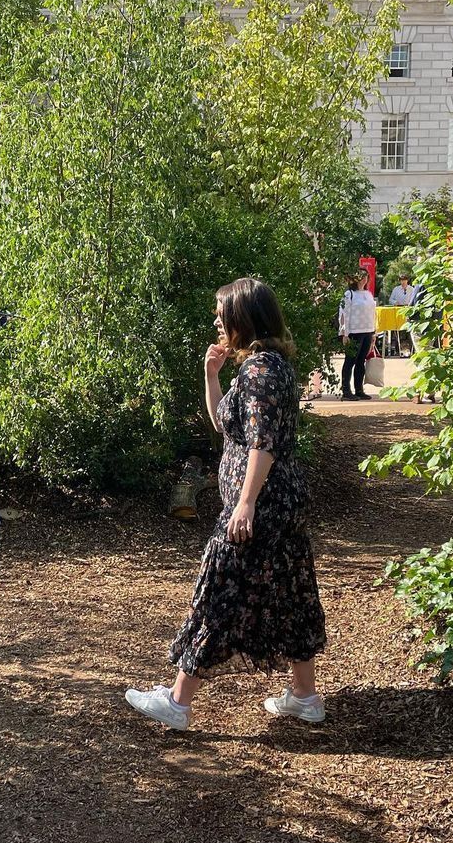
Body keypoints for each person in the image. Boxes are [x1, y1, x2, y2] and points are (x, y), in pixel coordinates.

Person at [125, 278, 327, 731]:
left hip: (262, 508)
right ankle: (305, 697)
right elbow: (224, 425)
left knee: (218, 593)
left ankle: (177, 703)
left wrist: (246, 503)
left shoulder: (260, 373)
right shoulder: (264, 366)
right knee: (289, 594)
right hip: (280, 507)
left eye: (222, 314)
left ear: (242, 319)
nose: (217, 321)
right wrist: (210, 376)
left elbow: (264, 444)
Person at [339, 268, 376, 401]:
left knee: (361, 362)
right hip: (354, 331)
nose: (364, 279)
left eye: (366, 276)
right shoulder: (349, 294)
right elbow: (344, 314)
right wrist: (345, 333)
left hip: (367, 330)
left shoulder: (368, 294)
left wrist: (374, 333)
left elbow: (373, 313)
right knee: (350, 361)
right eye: (361, 276)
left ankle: (359, 389)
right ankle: (346, 390)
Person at [388, 274, 416, 356]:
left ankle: (412, 350)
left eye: (404, 280)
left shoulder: (412, 289)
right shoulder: (396, 289)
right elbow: (391, 299)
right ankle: (397, 350)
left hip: (409, 310)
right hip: (398, 311)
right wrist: (395, 302)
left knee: (409, 331)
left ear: (407, 280)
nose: (403, 282)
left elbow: (414, 299)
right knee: (398, 332)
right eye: (401, 280)